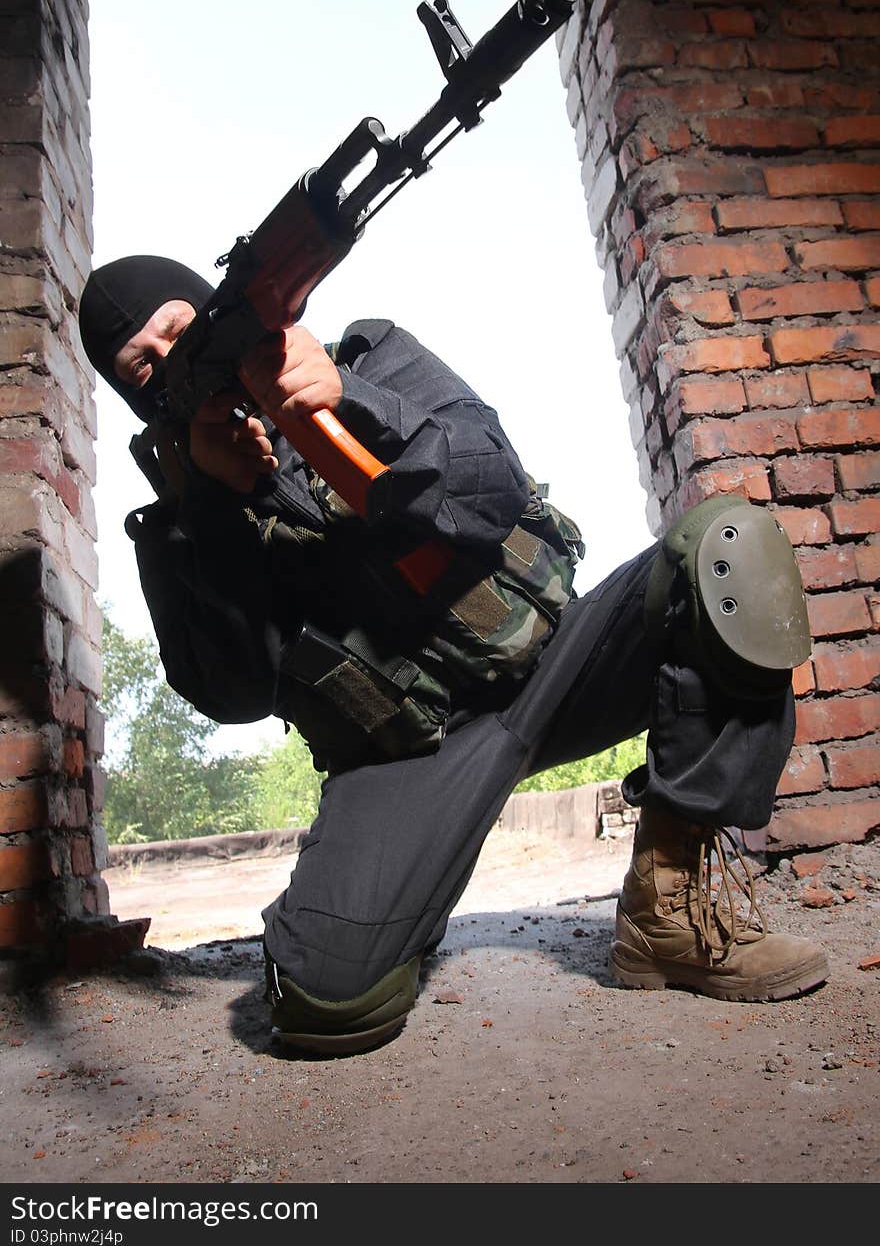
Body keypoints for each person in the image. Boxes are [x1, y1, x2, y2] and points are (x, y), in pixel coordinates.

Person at [78, 254, 829, 1056]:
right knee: (323, 1004)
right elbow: (232, 691)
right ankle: (404, 893)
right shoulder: (183, 522)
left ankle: (667, 909)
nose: (170, 367)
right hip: (408, 758)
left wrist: (347, 399)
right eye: (143, 370)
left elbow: (491, 482)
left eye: (179, 334)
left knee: (730, 547)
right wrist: (217, 508)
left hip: (555, 669)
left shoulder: (368, 357)